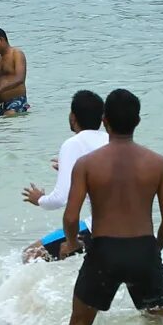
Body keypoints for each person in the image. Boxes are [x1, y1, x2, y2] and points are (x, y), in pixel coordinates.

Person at [61, 88, 163, 325]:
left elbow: (70, 217)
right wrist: (153, 248)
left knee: (79, 324)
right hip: (144, 252)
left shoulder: (87, 164)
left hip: (104, 252)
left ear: (104, 120)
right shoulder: (158, 164)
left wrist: (72, 242)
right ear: (137, 121)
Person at [22, 89, 109, 260]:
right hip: (129, 230)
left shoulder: (73, 144)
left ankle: (50, 287)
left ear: (73, 117)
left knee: (31, 254)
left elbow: (60, 199)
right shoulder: (110, 139)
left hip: (99, 230)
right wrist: (70, 170)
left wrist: (39, 199)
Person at [0, 26, 29, 116]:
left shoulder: (17, 54)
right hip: (0, 104)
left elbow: (20, 79)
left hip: (16, 100)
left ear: (1, 40)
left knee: (8, 121)